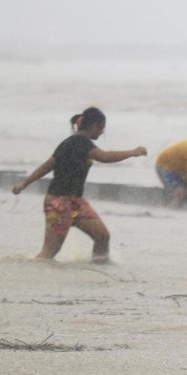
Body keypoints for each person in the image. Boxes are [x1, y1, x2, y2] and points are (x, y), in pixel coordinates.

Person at [10, 107, 148, 262]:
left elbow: (46, 166)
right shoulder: (79, 143)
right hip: (58, 203)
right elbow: (104, 157)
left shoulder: (70, 143)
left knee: (102, 236)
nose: (102, 132)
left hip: (76, 202)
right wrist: (132, 152)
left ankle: (100, 268)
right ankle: (32, 273)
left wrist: (24, 184)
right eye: (102, 128)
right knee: (49, 252)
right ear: (95, 126)